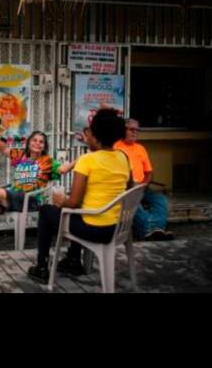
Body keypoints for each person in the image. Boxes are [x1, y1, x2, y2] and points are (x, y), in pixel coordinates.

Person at [27, 109, 133, 282]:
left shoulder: (87, 160)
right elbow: (129, 189)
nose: (86, 135)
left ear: (97, 136)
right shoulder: (123, 157)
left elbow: (74, 203)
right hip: (118, 226)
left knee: (47, 211)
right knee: (79, 211)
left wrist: (61, 201)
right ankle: (73, 259)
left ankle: (41, 267)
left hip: (95, 229)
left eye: (88, 131)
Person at [0, 130, 76, 253]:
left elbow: (63, 169)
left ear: (44, 146)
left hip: (31, 199)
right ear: (29, 143)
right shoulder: (21, 155)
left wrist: (80, 160)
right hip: (14, 196)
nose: (38, 143)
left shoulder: (48, 162)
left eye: (41, 142)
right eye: (35, 140)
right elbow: (3, 149)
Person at [115, 118, 174, 241]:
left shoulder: (140, 148)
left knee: (161, 200)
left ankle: (157, 230)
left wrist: (143, 185)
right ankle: (148, 231)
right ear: (123, 130)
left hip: (142, 187)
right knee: (136, 206)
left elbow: (149, 172)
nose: (135, 132)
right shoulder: (115, 147)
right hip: (125, 189)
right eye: (132, 129)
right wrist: (131, 186)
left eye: (137, 130)